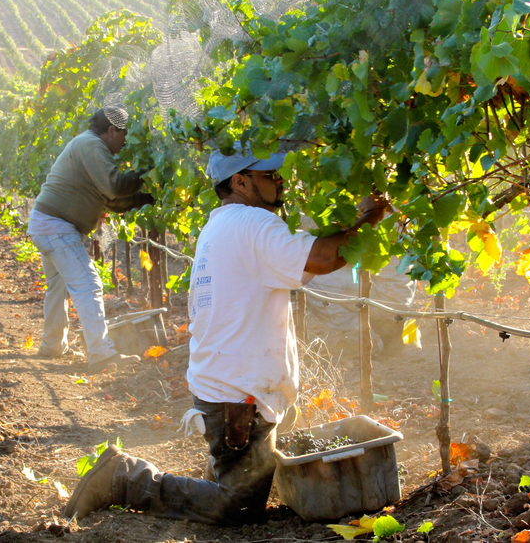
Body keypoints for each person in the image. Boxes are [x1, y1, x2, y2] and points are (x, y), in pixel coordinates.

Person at [62, 144, 388, 524]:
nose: (280, 181)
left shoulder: (222, 223)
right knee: (237, 506)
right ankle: (124, 478)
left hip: (228, 388)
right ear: (240, 182)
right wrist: (370, 216)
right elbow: (321, 258)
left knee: (242, 482)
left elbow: (300, 266)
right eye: (270, 175)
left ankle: (218, 473)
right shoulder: (253, 224)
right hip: (238, 397)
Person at [28, 106, 154, 373]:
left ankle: (52, 344)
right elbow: (116, 187)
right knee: (88, 283)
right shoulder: (91, 145)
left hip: (48, 223)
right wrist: (147, 170)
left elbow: (113, 202)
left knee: (59, 287)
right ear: (111, 131)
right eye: (124, 135)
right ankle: (102, 354)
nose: (125, 142)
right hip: (56, 226)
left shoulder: (90, 146)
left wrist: (150, 199)